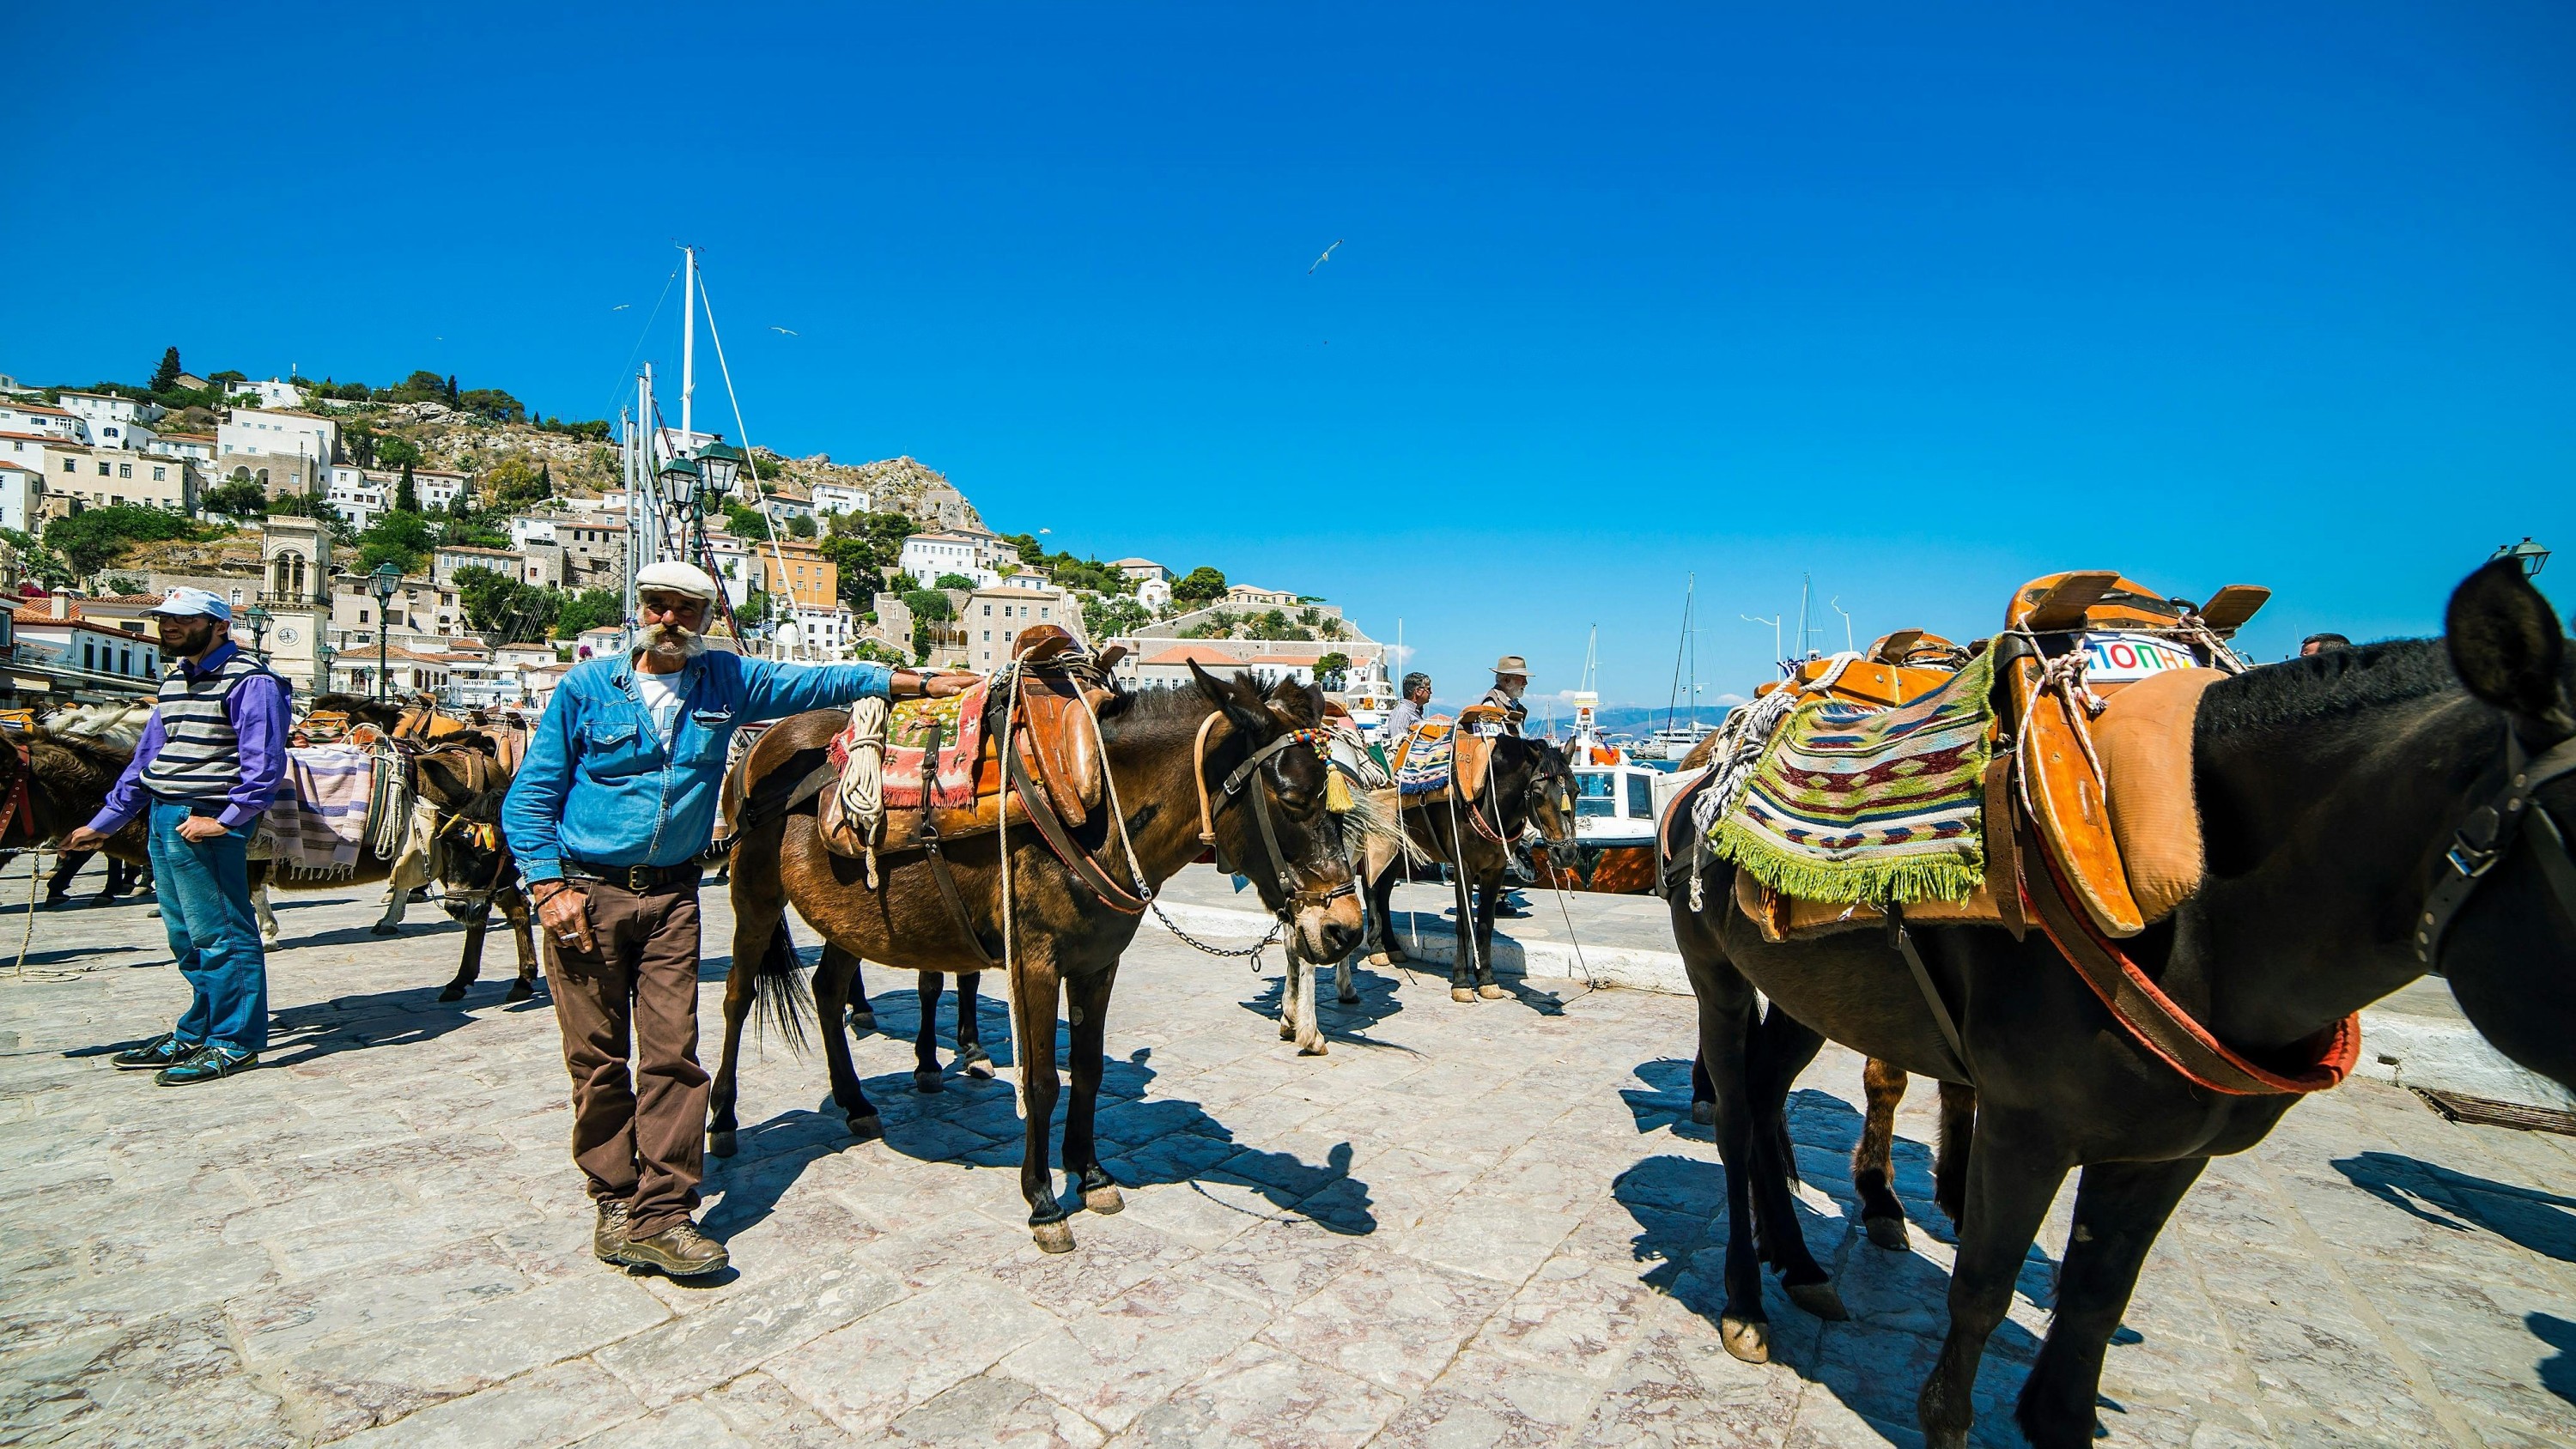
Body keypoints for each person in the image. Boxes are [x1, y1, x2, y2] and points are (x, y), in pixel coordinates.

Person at [503, 561, 973, 1279]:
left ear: (705, 618)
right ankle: (612, 1194)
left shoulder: (726, 680)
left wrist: (923, 683)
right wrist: (546, 887)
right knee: (598, 1060)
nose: (671, 620)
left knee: (672, 1054)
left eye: (687, 610)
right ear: (639, 609)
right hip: (585, 892)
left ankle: (662, 1214)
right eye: (659, 606)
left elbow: (824, 682)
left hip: (671, 898)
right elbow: (531, 796)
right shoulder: (585, 689)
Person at [63, 588, 288, 1087]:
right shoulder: (172, 684)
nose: (169, 627)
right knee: (185, 934)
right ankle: (199, 1029)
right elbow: (146, 761)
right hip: (166, 815)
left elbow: (265, 763)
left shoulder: (252, 681)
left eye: (183, 620)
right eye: (165, 619)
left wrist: (227, 820)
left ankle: (234, 1042)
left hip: (204, 817)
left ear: (220, 626)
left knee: (223, 932)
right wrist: (103, 825)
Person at [1480, 654, 1531, 736]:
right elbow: (1490, 742)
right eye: (1522, 677)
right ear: (1507, 679)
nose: (1526, 683)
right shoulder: (1491, 704)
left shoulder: (1515, 705)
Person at [1388, 672, 1432, 743]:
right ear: (1418, 691)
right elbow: (1398, 744)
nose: (1431, 692)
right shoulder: (1402, 713)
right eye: (1428, 689)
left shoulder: (1412, 712)